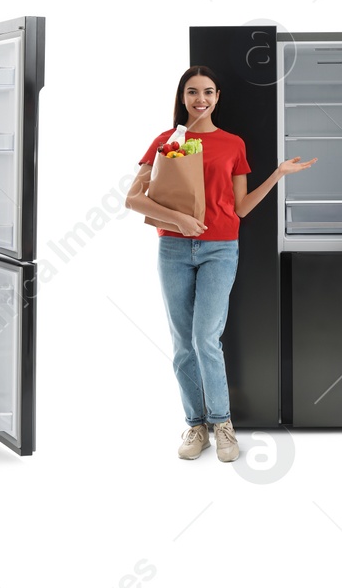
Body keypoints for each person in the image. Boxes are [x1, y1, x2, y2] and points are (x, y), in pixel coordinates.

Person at [126, 66, 315, 462]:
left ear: (218, 97)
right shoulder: (166, 142)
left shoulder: (233, 144)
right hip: (174, 250)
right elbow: (132, 198)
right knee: (182, 345)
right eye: (192, 92)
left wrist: (278, 174)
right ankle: (195, 425)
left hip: (220, 248)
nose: (201, 99)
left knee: (205, 340)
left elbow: (241, 206)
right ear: (182, 97)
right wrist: (178, 220)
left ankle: (222, 424)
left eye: (208, 92)